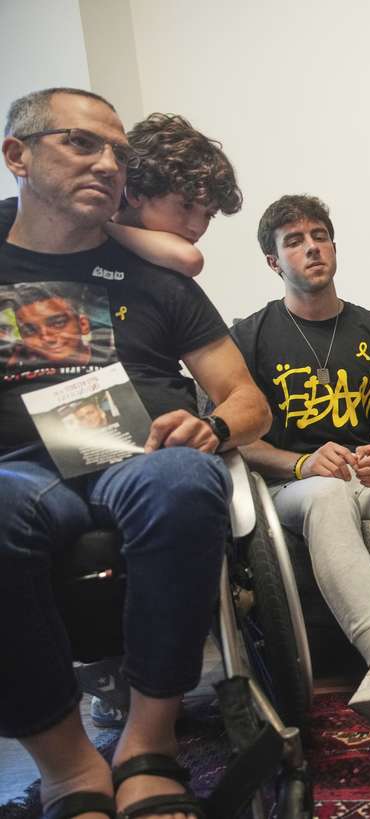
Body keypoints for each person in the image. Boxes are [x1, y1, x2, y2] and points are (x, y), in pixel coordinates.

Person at [0, 87, 270, 819]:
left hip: (143, 457)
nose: (107, 164)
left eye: (118, 152)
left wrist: (212, 427)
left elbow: (248, 400)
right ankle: (67, 768)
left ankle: (149, 746)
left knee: (184, 478)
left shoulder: (159, 280)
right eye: (81, 143)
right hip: (20, 470)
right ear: (17, 155)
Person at [232, 194, 370, 750]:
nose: (312, 248)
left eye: (320, 236)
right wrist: (301, 462)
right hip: (295, 483)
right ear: (273, 262)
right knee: (327, 496)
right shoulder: (250, 336)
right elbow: (235, 439)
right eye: (295, 241)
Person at [0, 111, 242, 279]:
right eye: (186, 206)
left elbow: (189, 258)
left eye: (209, 215)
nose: (197, 227)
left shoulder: (162, 266)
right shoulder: (14, 216)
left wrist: (102, 225)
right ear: (135, 193)